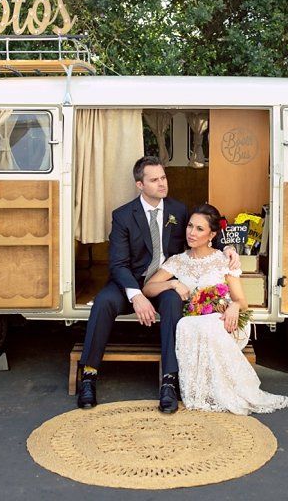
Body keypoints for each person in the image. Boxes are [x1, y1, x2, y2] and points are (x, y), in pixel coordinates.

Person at [78, 157, 238, 413]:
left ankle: (169, 381)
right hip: (129, 283)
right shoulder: (123, 215)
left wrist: (227, 247)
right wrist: (136, 296)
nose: (162, 183)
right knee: (103, 301)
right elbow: (118, 264)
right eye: (154, 180)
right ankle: (89, 375)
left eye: (163, 177)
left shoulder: (178, 210)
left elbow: (202, 233)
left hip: (165, 282)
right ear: (140, 185)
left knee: (174, 302)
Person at [143, 203, 288, 415]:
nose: (191, 233)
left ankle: (227, 391)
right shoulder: (178, 261)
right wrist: (172, 283)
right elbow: (148, 288)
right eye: (190, 226)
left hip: (226, 321)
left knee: (203, 325)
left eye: (199, 229)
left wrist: (233, 306)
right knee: (186, 324)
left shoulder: (223, 260)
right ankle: (200, 391)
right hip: (196, 323)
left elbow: (241, 300)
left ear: (212, 234)